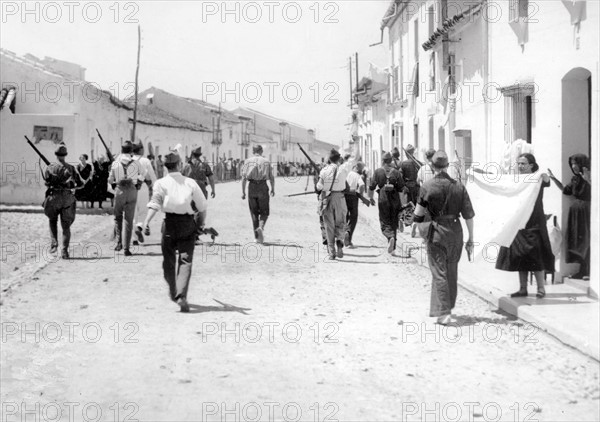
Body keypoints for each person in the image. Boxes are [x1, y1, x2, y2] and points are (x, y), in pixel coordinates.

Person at [413, 151, 475, 325]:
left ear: (432, 166)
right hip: (456, 232)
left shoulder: (427, 186)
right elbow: (469, 216)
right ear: (447, 166)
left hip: (438, 231)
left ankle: (444, 312)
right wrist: (471, 238)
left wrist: (417, 226)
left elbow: (418, 214)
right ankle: (447, 307)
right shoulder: (459, 187)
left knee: (439, 272)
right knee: (452, 271)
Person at [143, 152, 207, 313]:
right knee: (186, 261)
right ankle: (181, 295)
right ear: (179, 165)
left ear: (165, 166)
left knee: (168, 261)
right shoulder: (190, 182)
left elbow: (155, 204)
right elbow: (202, 207)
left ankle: (174, 292)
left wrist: (146, 222)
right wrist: (200, 224)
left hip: (169, 224)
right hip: (187, 223)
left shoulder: (160, 183)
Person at [496, 153, 553, 299]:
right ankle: (523, 289)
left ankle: (541, 288)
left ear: (531, 165)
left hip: (534, 222)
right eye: (518, 163)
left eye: (523, 164)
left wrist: (543, 175)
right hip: (519, 222)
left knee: (535, 256)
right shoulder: (516, 180)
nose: (520, 166)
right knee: (520, 256)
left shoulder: (537, 178)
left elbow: (546, 180)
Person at [548, 154, 591, 279]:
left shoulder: (589, 176)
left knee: (586, 240)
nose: (574, 166)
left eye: (576, 163)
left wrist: (587, 178)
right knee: (577, 240)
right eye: (572, 164)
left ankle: (589, 270)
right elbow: (566, 191)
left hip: (586, 212)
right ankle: (582, 269)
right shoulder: (575, 179)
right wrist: (554, 179)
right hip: (576, 213)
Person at [43, 143, 83, 259]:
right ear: (65, 155)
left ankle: (54, 244)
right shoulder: (71, 168)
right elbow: (79, 185)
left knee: (52, 220)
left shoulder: (50, 167)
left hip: (54, 197)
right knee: (66, 226)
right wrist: (71, 187)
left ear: (56, 155)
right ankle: (64, 251)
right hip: (67, 198)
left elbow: (46, 182)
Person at [108, 141, 143, 256]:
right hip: (132, 190)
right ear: (131, 151)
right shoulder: (136, 163)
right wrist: (138, 184)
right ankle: (127, 248)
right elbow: (142, 174)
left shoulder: (115, 163)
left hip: (120, 190)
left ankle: (119, 242)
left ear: (121, 150)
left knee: (118, 217)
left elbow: (110, 180)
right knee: (129, 219)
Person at [368, 152, 405, 254]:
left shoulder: (378, 171)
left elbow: (371, 187)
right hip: (395, 198)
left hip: (383, 198)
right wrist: (402, 204)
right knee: (393, 220)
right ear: (391, 161)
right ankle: (392, 247)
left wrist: (371, 198)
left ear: (382, 161)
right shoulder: (396, 172)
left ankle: (390, 236)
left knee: (384, 220)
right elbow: (401, 188)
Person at [317, 149, 349, 259]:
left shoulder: (324, 170)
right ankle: (340, 242)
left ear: (329, 159)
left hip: (327, 198)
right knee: (341, 222)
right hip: (340, 197)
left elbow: (319, 187)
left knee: (328, 225)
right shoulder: (343, 169)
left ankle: (331, 252)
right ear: (338, 159)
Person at [241, 145, 275, 244]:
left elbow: (243, 178)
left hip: (251, 187)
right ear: (261, 151)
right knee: (264, 212)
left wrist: (243, 192)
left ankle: (256, 238)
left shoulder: (247, 161)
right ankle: (261, 227)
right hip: (263, 187)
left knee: (254, 212)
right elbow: (271, 177)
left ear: (253, 151)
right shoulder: (267, 161)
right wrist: (273, 189)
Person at [131, 142, 157, 245]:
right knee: (143, 211)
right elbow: (152, 175)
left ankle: (134, 239)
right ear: (141, 150)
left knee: (133, 214)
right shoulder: (145, 161)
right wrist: (156, 187)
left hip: (130, 188)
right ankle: (139, 227)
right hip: (143, 187)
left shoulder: (129, 160)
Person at [344, 161, 366, 248]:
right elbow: (362, 186)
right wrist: (360, 195)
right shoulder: (357, 176)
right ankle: (348, 236)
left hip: (344, 196)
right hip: (353, 197)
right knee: (353, 217)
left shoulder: (347, 174)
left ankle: (345, 233)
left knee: (345, 216)